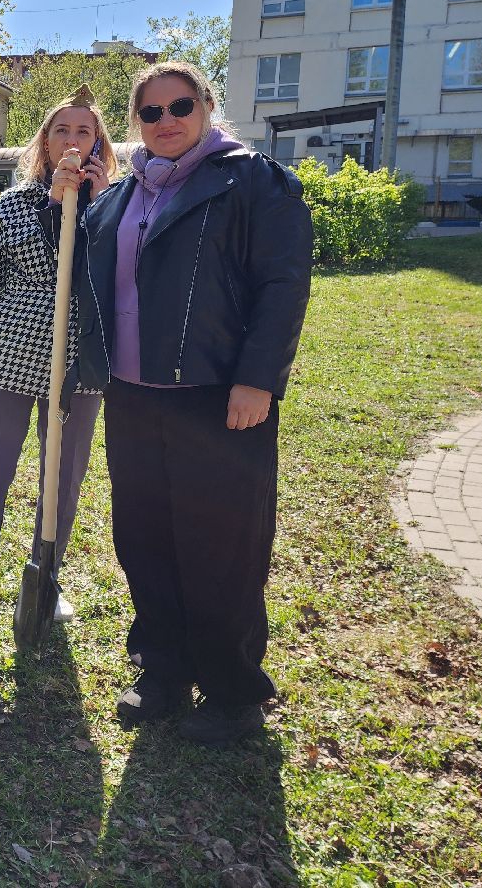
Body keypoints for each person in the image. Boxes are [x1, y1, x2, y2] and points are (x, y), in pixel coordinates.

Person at [52, 60, 313, 746]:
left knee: (222, 547)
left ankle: (233, 696)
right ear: (136, 122)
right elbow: (83, 280)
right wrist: (65, 204)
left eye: (180, 107)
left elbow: (282, 285)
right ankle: (162, 671)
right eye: (150, 112)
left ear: (206, 106)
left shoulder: (252, 181)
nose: (166, 122)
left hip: (219, 399)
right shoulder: (118, 198)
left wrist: (259, 379)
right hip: (134, 397)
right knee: (146, 540)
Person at [0, 84, 118, 624]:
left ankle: (46, 572)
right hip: (10, 355)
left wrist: (92, 204)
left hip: (81, 364)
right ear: (45, 143)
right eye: (61, 130)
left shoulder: (116, 208)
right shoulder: (14, 206)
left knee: (64, 475)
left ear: (98, 144)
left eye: (84, 131)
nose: (72, 140)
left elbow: (119, 276)